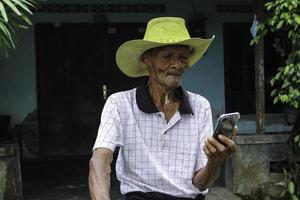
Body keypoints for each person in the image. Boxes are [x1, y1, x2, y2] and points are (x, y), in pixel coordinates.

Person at [89, 17, 237, 200]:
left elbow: (201, 183)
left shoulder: (201, 107)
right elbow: (100, 159)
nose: (177, 65)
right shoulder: (120, 104)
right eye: (167, 56)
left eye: (183, 57)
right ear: (146, 60)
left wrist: (215, 162)